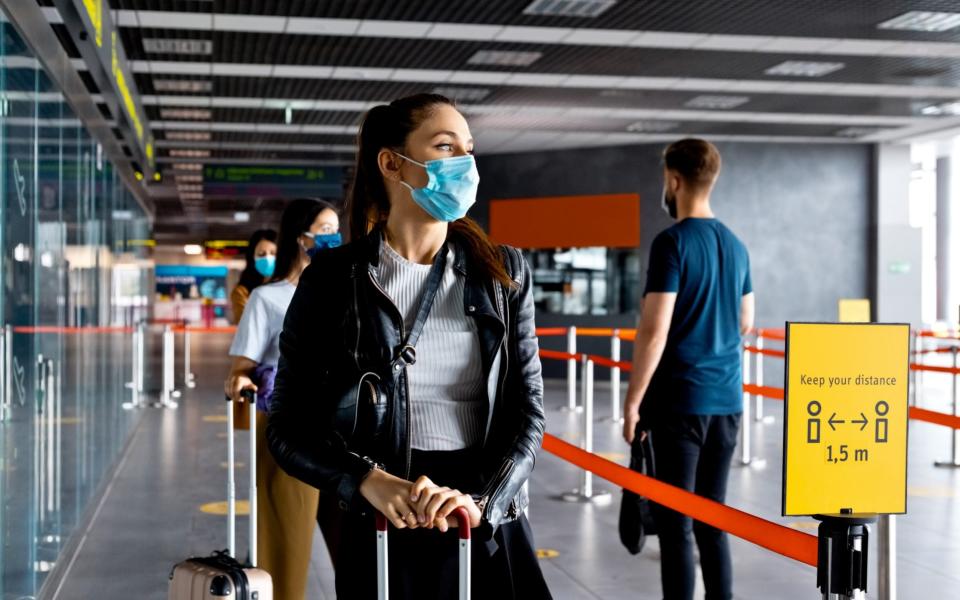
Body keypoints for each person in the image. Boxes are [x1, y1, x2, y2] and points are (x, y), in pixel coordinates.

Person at [267, 94, 551, 599]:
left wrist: (482, 499)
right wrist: (365, 480)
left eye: (469, 149)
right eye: (445, 147)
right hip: (383, 509)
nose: (464, 164)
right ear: (392, 162)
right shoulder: (334, 280)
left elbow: (527, 411)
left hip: (479, 508)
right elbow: (288, 427)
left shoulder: (502, 273)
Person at [622, 138, 754, 600]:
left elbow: (654, 331)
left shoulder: (672, 243)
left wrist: (633, 401)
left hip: (680, 403)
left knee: (676, 521)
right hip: (727, 402)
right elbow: (745, 323)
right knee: (713, 517)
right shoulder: (736, 246)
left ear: (673, 180)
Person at [224, 198, 342, 600]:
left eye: (335, 229)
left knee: (358, 541)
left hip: (345, 429)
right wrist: (240, 381)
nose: (333, 238)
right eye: (324, 229)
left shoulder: (346, 290)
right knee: (285, 541)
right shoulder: (267, 299)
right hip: (290, 427)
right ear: (301, 237)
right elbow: (241, 366)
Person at [230, 229, 278, 323]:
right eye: (261, 254)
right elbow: (245, 325)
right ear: (252, 257)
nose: (268, 258)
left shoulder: (292, 286)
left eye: (273, 253)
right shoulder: (241, 292)